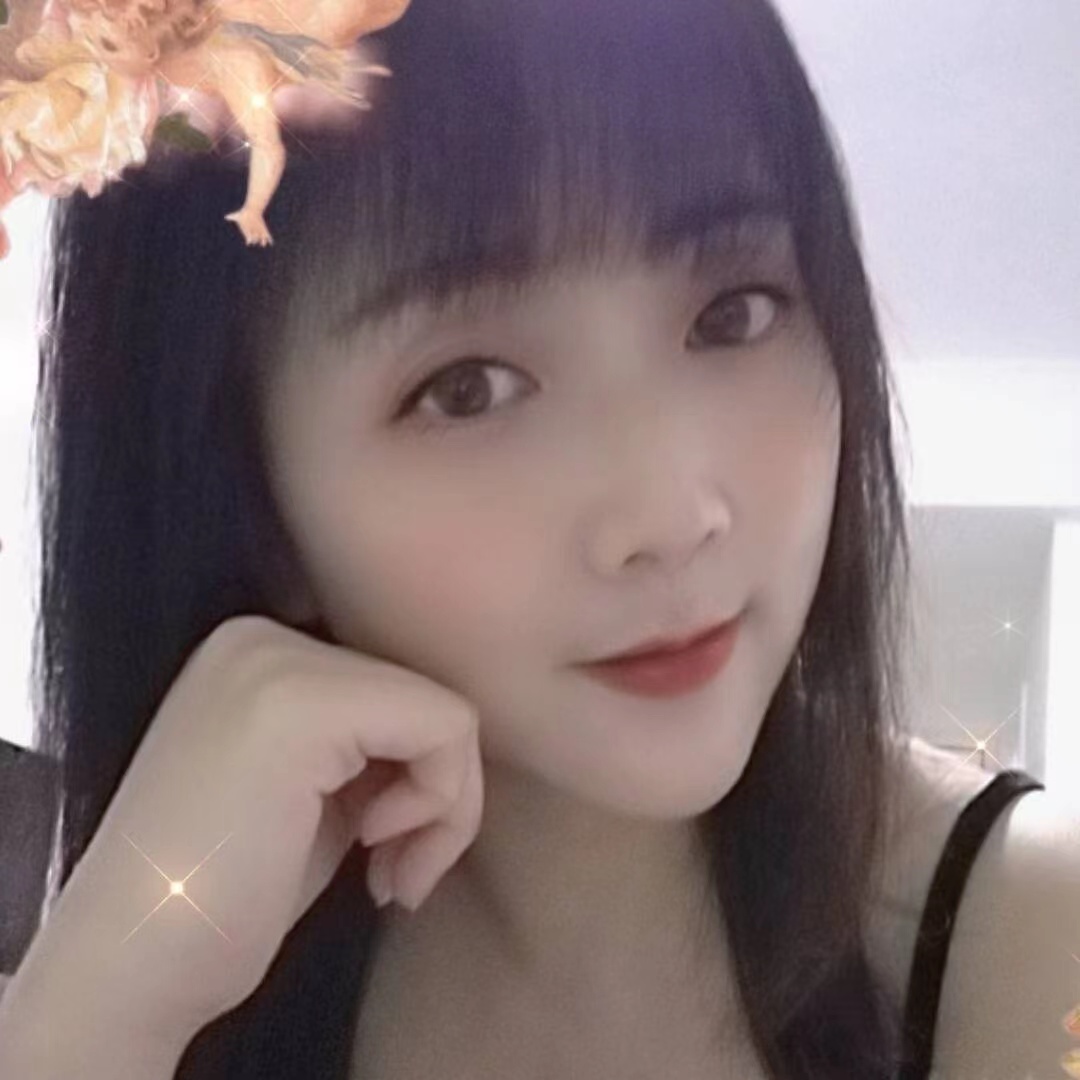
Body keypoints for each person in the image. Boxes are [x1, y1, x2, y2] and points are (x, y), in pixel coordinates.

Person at [2, 1, 1055, 1078]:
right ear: (255, 504)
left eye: (734, 313)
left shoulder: (1032, 938)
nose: (671, 517)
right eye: (469, 390)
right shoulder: (186, 963)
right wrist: (91, 1018)